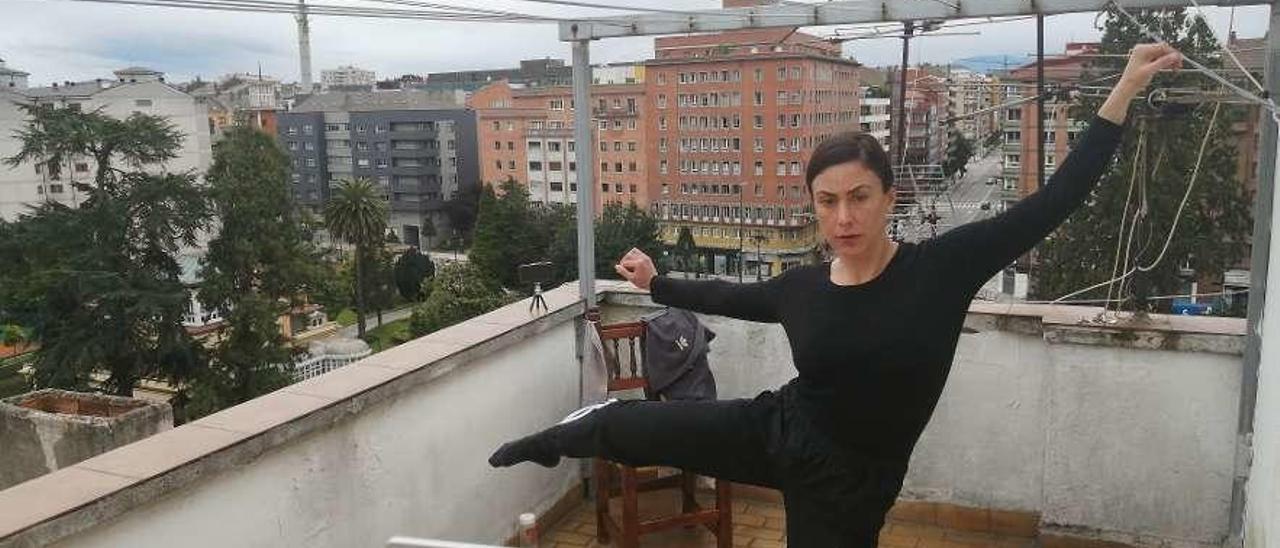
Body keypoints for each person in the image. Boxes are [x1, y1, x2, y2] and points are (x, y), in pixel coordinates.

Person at [489, 44, 1181, 545]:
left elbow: (1057, 199)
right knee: (643, 426)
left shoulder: (944, 267)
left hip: (853, 483)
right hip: (781, 430)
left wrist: (1120, 92)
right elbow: (727, 296)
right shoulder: (803, 288)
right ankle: (561, 438)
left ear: (887, 198)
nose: (843, 217)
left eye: (858, 198)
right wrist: (655, 282)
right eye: (827, 202)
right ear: (814, 207)